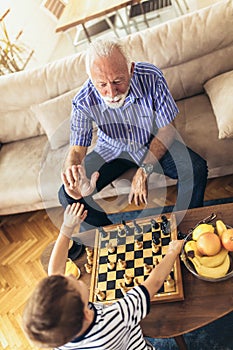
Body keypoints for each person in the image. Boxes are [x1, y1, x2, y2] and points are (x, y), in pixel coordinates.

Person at [58, 38, 208, 229]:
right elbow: (76, 151)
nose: (111, 92)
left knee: (195, 168)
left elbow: (167, 129)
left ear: (131, 69)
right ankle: (109, 235)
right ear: (91, 79)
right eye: (102, 84)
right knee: (65, 195)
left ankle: (189, 227)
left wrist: (144, 170)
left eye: (117, 81)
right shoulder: (83, 101)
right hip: (112, 150)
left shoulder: (151, 76)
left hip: (152, 141)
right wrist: (73, 173)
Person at [22, 202, 184, 349]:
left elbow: (54, 270)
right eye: (75, 283)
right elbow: (153, 284)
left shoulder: (60, 337)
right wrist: (172, 252)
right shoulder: (114, 318)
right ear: (86, 313)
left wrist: (67, 228)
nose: (71, 276)